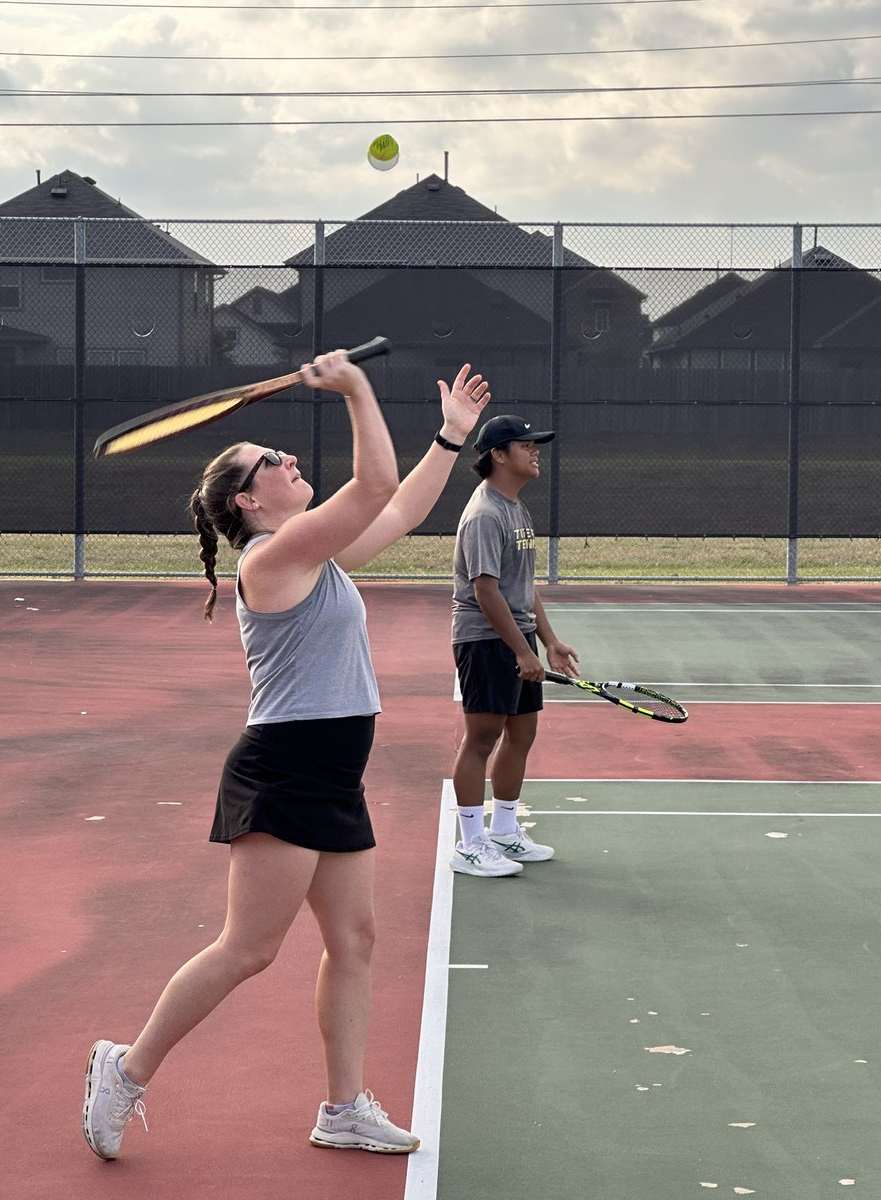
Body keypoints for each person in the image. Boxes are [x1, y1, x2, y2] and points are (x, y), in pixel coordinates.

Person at [82, 352, 490, 1161]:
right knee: (249, 948)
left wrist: (448, 437)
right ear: (247, 499)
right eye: (272, 461)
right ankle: (124, 1069)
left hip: (334, 772)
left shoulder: (316, 557)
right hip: (286, 767)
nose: (289, 461)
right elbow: (371, 487)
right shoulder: (272, 561)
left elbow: (399, 509)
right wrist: (359, 390)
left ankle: (342, 1107)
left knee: (356, 940)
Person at [449, 414, 579, 878]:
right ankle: (469, 844)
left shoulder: (515, 507)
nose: (535, 450)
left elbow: (523, 586)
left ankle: (504, 830)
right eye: (526, 444)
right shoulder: (484, 513)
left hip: (514, 635)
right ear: (498, 456)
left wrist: (548, 641)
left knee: (522, 734)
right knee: (482, 737)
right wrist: (521, 652)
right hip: (485, 639)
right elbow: (486, 591)